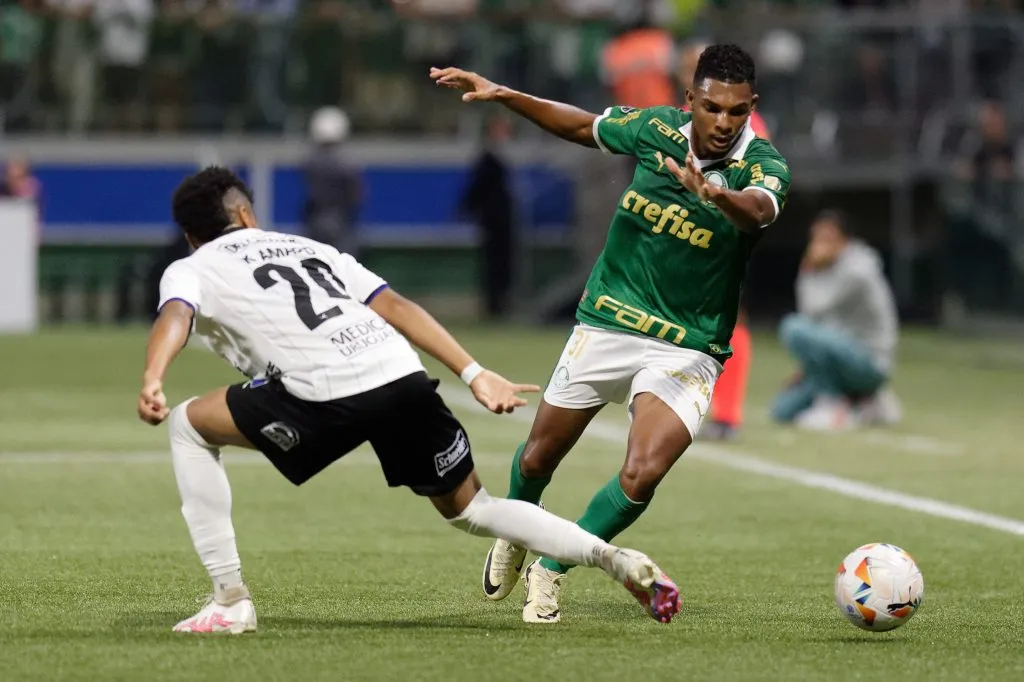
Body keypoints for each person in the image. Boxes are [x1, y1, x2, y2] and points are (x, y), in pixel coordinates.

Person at [139, 167, 680, 634]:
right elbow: (393, 304)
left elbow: (175, 317)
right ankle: (609, 556)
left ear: (191, 236)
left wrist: (154, 377)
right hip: (398, 372)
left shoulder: (192, 267)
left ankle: (231, 601)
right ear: (246, 214)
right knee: (475, 509)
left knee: (188, 423)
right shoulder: (311, 248)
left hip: (323, 389)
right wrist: (473, 371)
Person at [431, 43, 791, 623]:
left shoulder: (763, 166)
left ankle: (552, 567)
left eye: (736, 112)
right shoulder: (655, 129)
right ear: (689, 100)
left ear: (752, 107)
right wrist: (504, 93)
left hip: (688, 345)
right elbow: (581, 124)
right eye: (711, 108)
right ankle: (520, 525)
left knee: (643, 471)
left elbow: (760, 210)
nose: (723, 123)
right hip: (611, 318)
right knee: (539, 456)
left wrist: (716, 194)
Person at [676, 38, 768, 441]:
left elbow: (760, 181)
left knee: (730, 318)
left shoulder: (744, 124)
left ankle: (727, 414)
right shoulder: (678, 118)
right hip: (679, 232)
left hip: (724, 234)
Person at [770, 210, 900, 430]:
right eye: (816, 239)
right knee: (783, 410)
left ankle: (834, 404)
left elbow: (812, 309)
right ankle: (868, 401)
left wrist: (808, 268)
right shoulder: (828, 267)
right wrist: (807, 366)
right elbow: (819, 326)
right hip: (837, 357)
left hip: (868, 361)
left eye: (828, 239)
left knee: (792, 327)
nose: (820, 245)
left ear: (845, 240)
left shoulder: (858, 270)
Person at [460, 113, 517, 319]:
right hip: (494, 221)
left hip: (502, 221)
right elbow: (478, 188)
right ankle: (494, 306)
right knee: (494, 263)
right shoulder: (488, 158)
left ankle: (501, 303)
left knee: (503, 263)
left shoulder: (499, 156)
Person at [303, 106, 363, 259]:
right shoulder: (347, 162)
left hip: (316, 220)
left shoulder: (311, 160)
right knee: (344, 266)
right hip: (339, 221)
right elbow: (356, 194)